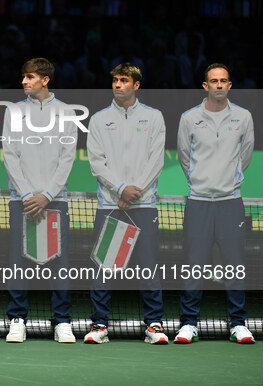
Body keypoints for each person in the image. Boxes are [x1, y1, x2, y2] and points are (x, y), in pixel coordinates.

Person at [85, 62, 168, 344]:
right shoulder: (98, 119)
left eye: (124, 80)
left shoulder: (154, 117)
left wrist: (137, 191)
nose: (118, 85)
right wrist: (121, 188)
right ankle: (99, 326)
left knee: (148, 266)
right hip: (111, 205)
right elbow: (97, 163)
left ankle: (154, 325)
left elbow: (156, 160)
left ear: (136, 85)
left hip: (144, 206)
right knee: (105, 267)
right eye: (115, 80)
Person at [175, 63, 255, 344]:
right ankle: (188, 323)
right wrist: (201, 181)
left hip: (230, 202)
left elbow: (244, 156)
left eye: (223, 81)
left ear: (229, 85)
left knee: (234, 264)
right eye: (213, 81)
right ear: (205, 86)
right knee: (194, 265)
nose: (219, 85)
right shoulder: (189, 118)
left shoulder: (244, 117)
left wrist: (226, 182)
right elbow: (185, 157)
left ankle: (239, 323)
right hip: (198, 203)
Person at [2, 58, 78, 343]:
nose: (24, 81)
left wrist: (46, 195)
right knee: (18, 262)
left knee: (60, 263)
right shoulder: (15, 112)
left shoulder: (66, 113)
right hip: (20, 200)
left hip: (55, 201)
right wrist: (26, 195)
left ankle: (62, 322)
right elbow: (10, 154)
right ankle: (17, 319)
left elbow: (66, 159)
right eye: (23, 77)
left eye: (30, 77)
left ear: (45, 80)